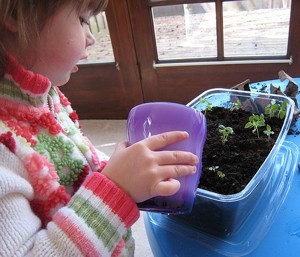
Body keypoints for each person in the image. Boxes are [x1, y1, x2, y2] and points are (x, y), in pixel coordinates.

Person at [0, 0, 199, 256]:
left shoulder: (42, 94)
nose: (91, 37)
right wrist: (116, 188)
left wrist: (122, 168)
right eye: (82, 20)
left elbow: (68, 167)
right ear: (16, 14)